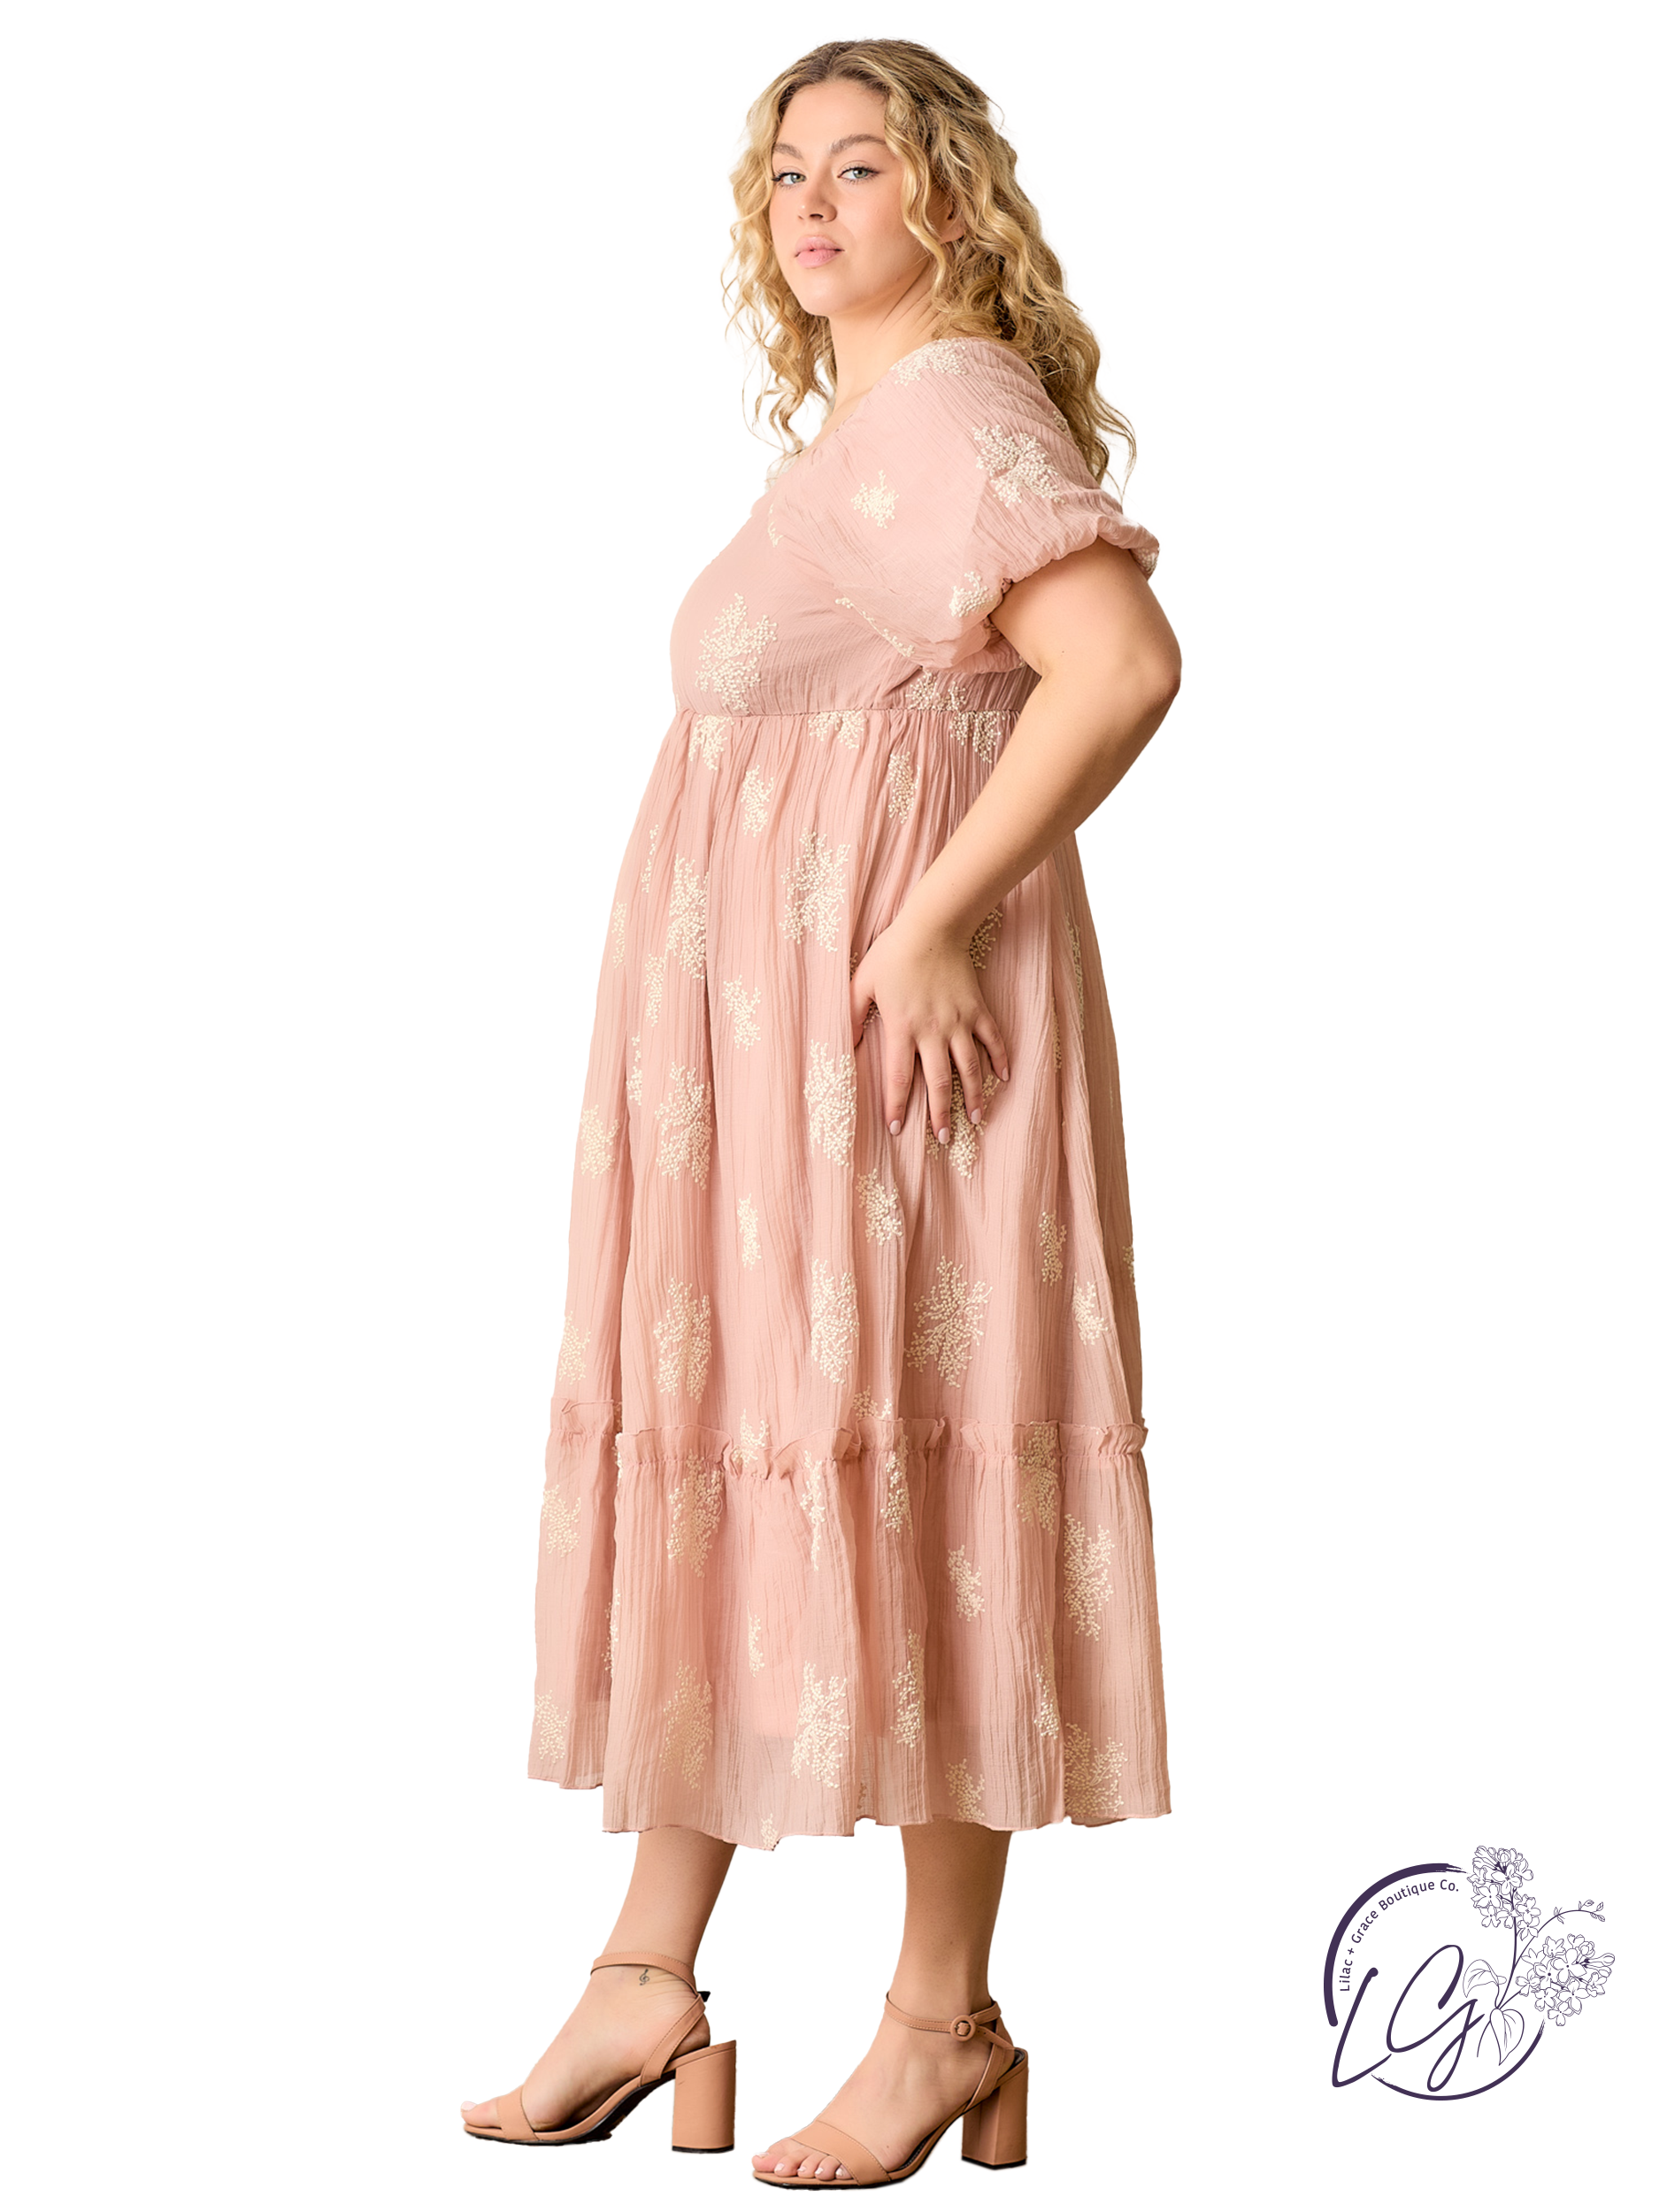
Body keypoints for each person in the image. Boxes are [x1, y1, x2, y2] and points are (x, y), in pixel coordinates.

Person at [462, 35, 1180, 2186]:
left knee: (915, 1461)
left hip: (893, 1061)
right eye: (788, 169)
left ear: (951, 194)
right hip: (765, 1078)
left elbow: (1123, 663)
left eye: (864, 164)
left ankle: (942, 2017)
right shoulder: (871, 430)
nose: (812, 200)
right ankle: (646, 1966)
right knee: (759, 1446)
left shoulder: (954, 408)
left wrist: (934, 916)